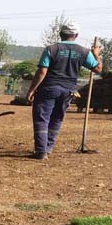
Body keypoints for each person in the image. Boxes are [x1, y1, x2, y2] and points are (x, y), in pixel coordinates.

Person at [27, 21, 102, 160]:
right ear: (77, 35)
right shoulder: (84, 52)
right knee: (57, 118)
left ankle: (41, 151)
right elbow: (98, 69)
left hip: (48, 88)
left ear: (60, 34)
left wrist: (32, 90)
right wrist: (96, 54)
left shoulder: (51, 49)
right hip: (68, 90)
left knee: (42, 119)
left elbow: (42, 71)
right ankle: (48, 148)